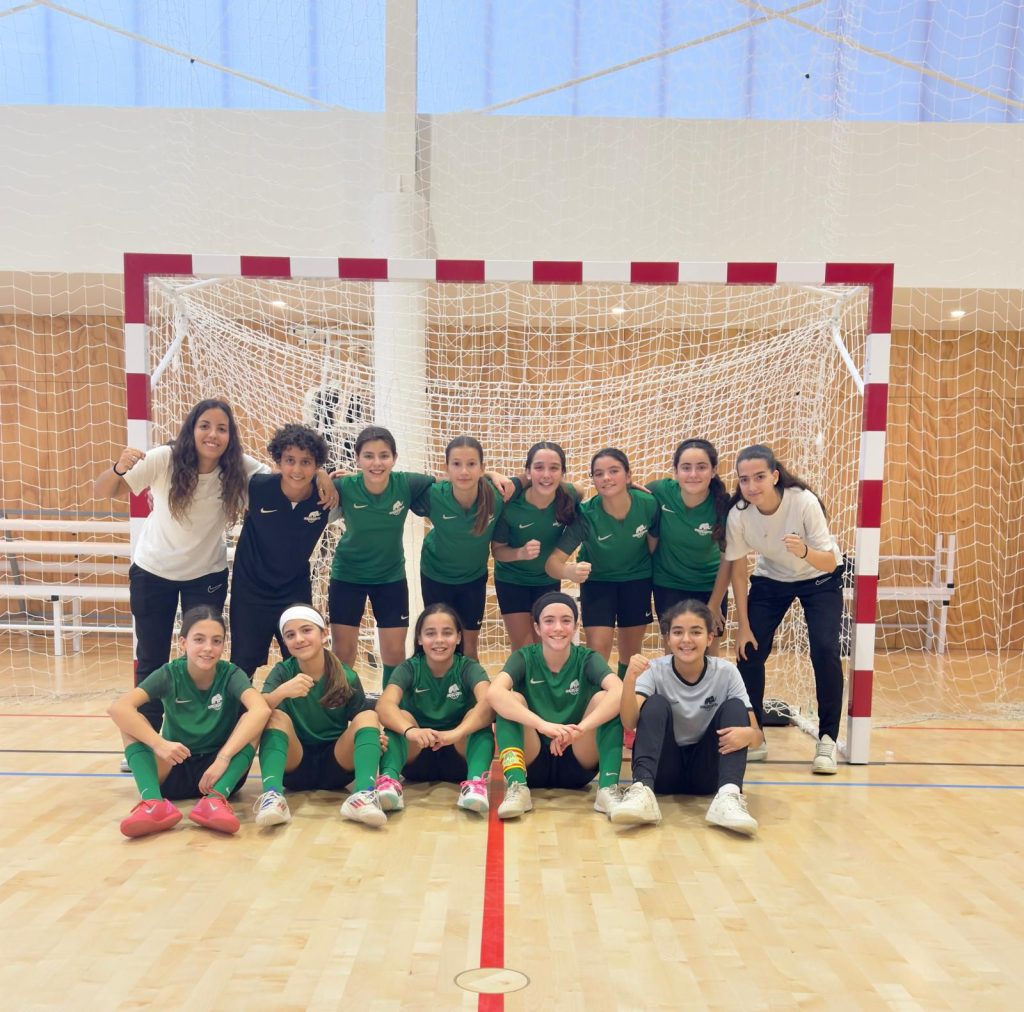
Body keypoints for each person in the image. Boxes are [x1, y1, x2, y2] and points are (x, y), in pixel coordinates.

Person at [93, 399, 335, 731]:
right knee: (151, 658)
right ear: (191, 429)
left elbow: (291, 475)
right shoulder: (165, 458)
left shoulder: (239, 468)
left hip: (205, 576)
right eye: (205, 426)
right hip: (153, 572)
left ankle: (198, 732)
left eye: (222, 428)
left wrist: (321, 473)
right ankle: (146, 735)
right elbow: (104, 490)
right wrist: (118, 468)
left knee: (203, 658)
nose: (213, 434)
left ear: (230, 435)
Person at [725, 444, 844, 773]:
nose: (752, 486)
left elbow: (830, 561)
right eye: (744, 479)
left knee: (825, 649)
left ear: (775, 476)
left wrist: (804, 551)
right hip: (772, 579)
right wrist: (743, 624)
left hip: (819, 577)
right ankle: (755, 734)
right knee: (749, 652)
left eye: (759, 477)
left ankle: (827, 739)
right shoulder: (739, 515)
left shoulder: (802, 502)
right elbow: (738, 570)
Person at [108, 605, 271, 837]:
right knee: (132, 723)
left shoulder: (231, 674)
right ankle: (153, 803)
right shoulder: (169, 673)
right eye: (199, 639)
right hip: (175, 763)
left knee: (253, 719)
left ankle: (215, 801)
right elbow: (118, 708)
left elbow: (261, 710)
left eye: (216, 641)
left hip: (219, 772)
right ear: (183, 643)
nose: (208, 648)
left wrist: (224, 758)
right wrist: (159, 743)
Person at [612, 600, 760, 835]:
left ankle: (729, 795)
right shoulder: (654, 670)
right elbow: (629, 722)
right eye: (678, 632)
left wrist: (749, 735)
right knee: (655, 703)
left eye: (696, 632)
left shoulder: (727, 673)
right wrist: (629, 680)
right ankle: (642, 790)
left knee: (735, 707)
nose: (686, 640)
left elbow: (757, 736)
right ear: (667, 638)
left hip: (706, 775)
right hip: (664, 772)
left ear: (709, 638)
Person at [487, 592, 624, 820]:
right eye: (549, 621)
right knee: (509, 702)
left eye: (566, 620)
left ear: (576, 626)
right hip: (532, 761)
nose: (558, 628)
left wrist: (579, 730)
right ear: (537, 627)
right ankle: (517, 787)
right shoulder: (524, 657)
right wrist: (542, 725)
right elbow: (494, 693)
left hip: (577, 760)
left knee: (606, 700)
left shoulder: (587, 658)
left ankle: (608, 789)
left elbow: (619, 691)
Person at [253, 605, 388, 828]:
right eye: (290, 635)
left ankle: (364, 795)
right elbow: (256, 712)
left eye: (306, 630)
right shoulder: (283, 672)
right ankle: (272, 797)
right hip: (295, 765)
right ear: (285, 642)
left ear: (324, 634)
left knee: (368, 716)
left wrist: (372, 738)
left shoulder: (346, 675)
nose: (299, 639)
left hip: (337, 765)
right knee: (274, 716)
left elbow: (361, 721)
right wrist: (281, 692)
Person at [327, 426, 435, 687]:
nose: (377, 463)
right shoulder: (344, 486)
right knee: (343, 654)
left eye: (384, 455)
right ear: (357, 459)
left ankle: (390, 706)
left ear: (394, 458)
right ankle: (341, 703)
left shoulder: (406, 483)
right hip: (347, 576)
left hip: (390, 578)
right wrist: (323, 478)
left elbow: (451, 482)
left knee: (395, 653)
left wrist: (490, 473)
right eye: (368, 456)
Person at [229, 424, 334, 679]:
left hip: (293, 590)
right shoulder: (256, 487)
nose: (297, 469)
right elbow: (221, 459)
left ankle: (302, 706)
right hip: (251, 589)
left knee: (303, 659)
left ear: (316, 465)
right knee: (243, 662)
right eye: (290, 460)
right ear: (278, 461)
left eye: (306, 462)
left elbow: (361, 483)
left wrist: (327, 477)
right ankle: (241, 707)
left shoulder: (327, 497)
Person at [545, 448, 659, 677]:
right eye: (599, 473)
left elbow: (653, 545)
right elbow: (552, 563)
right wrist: (569, 571)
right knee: (598, 649)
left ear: (628, 475)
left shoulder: (648, 504)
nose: (606, 478)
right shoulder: (586, 515)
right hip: (598, 582)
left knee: (631, 653)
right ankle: (597, 695)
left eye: (614, 471)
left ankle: (627, 696)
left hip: (636, 580)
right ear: (594, 480)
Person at [375, 604, 495, 814]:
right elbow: (384, 705)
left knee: (477, 717)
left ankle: (476, 783)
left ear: (458, 637)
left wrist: (456, 733)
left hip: (460, 757)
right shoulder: (410, 668)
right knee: (400, 717)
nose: (439, 640)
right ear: (419, 639)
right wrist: (412, 731)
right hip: (417, 755)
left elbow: (489, 703)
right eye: (430, 633)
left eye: (447, 633)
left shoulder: (468, 667)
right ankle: (389, 782)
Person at [411, 436, 512, 659]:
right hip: (436, 576)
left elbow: (532, 480)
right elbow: (393, 486)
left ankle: (468, 684)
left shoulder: (497, 496)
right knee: (439, 645)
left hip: (473, 579)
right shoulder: (434, 495)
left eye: (471, 464)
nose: (464, 471)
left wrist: (493, 475)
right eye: (456, 464)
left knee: (469, 648)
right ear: (446, 468)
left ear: (482, 468)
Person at [491, 441, 580, 650]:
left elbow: (585, 490)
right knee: (524, 647)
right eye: (539, 467)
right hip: (512, 580)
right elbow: (497, 551)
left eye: (554, 468)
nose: (546, 475)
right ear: (528, 472)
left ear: (562, 473)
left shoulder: (569, 495)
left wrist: (626, 486)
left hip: (547, 579)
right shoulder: (511, 504)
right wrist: (520, 553)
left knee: (546, 645)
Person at [647, 438, 731, 656]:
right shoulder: (660, 491)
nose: (693, 474)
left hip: (710, 586)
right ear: (675, 471)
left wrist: (714, 604)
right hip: (668, 584)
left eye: (701, 467)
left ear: (713, 471)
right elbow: (629, 494)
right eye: (686, 467)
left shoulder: (723, 505)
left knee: (709, 657)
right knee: (674, 654)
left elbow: (728, 560)